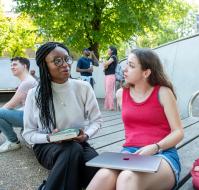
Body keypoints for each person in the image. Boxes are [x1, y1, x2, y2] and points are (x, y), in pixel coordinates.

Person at [87, 48, 184, 190]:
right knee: (104, 175)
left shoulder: (163, 92)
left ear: (146, 72)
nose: (125, 69)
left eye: (131, 66)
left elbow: (178, 132)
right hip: (130, 153)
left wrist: (155, 147)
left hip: (162, 153)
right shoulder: (121, 94)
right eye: (126, 64)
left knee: (127, 177)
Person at [22, 42, 102, 190]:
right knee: (71, 150)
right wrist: (49, 138)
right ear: (44, 66)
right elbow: (28, 133)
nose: (65, 64)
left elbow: (96, 121)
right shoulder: (35, 94)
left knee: (97, 169)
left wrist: (86, 135)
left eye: (67, 59)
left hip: (79, 143)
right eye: (57, 61)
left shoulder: (83, 87)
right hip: (46, 146)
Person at [0, 57, 37, 153]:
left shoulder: (27, 82)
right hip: (31, 116)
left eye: (15, 64)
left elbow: (10, 105)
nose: (12, 67)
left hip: (32, 119)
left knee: (1, 112)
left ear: (24, 66)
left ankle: (13, 142)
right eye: (11, 65)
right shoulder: (27, 80)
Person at [103, 46, 118, 111]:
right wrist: (105, 65)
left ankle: (111, 107)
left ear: (112, 50)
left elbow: (106, 64)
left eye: (108, 49)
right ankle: (107, 106)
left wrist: (104, 62)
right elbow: (105, 67)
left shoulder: (113, 57)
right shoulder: (110, 57)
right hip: (107, 76)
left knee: (109, 91)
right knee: (107, 91)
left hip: (111, 76)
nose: (107, 50)